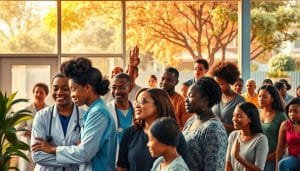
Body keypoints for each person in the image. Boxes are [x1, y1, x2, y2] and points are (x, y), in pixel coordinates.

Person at [32, 57, 117, 171]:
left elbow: (83, 153)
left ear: (87, 88)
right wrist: (74, 152)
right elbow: (38, 155)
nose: (72, 95)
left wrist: (52, 148)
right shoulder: (94, 110)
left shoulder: (98, 113)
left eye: (73, 89)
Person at [117, 88, 189, 171]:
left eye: (143, 101)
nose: (136, 106)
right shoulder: (130, 133)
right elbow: (121, 167)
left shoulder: (174, 135)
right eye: (136, 102)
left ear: (158, 105)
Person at [31, 73, 85, 170]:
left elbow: (86, 153)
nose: (59, 92)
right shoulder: (41, 116)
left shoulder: (85, 116)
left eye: (65, 88)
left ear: (73, 90)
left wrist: (51, 149)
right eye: (55, 88)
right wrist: (74, 155)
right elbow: (37, 155)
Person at [183, 77, 228, 171]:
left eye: (190, 96)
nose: (186, 100)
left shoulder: (213, 129)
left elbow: (214, 167)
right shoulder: (191, 121)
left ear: (205, 100)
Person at [225, 102, 268, 171]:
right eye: (234, 115)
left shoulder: (261, 139)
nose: (234, 119)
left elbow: (259, 169)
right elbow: (228, 164)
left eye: (239, 116)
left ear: (250, 119)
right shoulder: (233, 135)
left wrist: (238, 157)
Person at [18, 82, 49, 171]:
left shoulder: (49, 111)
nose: (38, 94)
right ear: (33, 93)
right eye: (36, 92)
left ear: (46, 95)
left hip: (44, 150)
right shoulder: (26, 110)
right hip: (28, 149)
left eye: (41, 92)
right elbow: (18, 129)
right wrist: (29, 132)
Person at [258, 85, 287, 171]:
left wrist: (274, 155)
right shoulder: (257, 112)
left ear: (273, 99)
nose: (260, 99)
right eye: (259, 96)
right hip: (258, 157)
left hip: (273, 159)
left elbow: (286, 141)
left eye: (264, 97)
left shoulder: (281, 115)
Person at [210, 61, 245, 134]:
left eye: (221, 84)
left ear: (230, 82)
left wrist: (219, 125)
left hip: (230, 140)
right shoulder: (215, 97)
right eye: (216, 84)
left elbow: (242, 127)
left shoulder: (239, 100)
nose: (217, 87)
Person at [107, 73, 134, 143]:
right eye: (114, 88)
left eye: (122, 88)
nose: (117, 91)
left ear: (130, 88)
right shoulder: (105, 110)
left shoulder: (138, 110)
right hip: (113, 153)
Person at [276, 97, 300, 171]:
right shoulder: (285, 125)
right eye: (290, 111)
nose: (292, 114)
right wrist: (277, 166)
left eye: (296, 111)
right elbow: (279, 148)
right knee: (282, 163)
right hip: (294, 158)